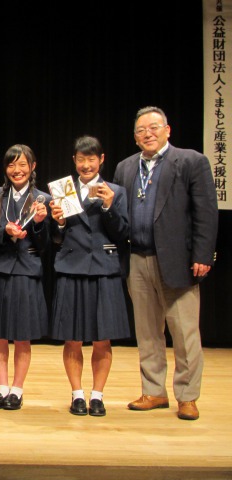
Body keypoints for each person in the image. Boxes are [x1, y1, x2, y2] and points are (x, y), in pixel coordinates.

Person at [113, 106, 218, 421]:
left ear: (167, 130)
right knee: (147, 333)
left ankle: (187, 396)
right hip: (137, 259)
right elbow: (119, 214)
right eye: (142, 129)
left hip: (177, 261)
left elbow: (206, 212)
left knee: (185, 333)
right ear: (135, 137)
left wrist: (202, 254)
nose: (148, 133)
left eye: (154, 127)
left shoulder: (190, 161)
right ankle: (154, 391)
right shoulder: (126, 168)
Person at [49, 135, 130, 417]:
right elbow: (56, 238)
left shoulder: (115, 191)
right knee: (72, 338)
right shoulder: (62, 190)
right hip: (71, 267)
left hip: (104, 269)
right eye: (81, 159)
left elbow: (122, 234)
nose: (86, 165)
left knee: (102, 339)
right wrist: (58, 224)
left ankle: (97, 395)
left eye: (91, 159)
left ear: (101, 160)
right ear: (74, 160)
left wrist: (109, 207)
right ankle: (77, 394)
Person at [0, 144, 50, 411]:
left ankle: (17, 390)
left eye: (22, 165)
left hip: (26, 271)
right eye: (11, 165)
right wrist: (4, 232)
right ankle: (2, 388)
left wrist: (40, 224)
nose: (16, 170)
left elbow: (46, 245)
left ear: (33, 166)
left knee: (22, 335)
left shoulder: (43, 199)